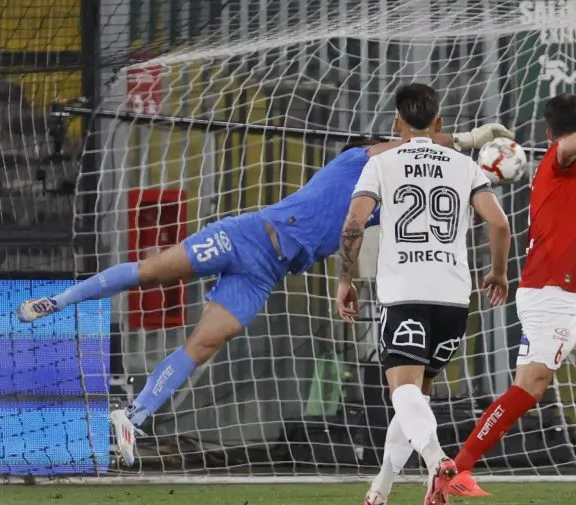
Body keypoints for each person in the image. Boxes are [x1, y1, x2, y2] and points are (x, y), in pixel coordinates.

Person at [17, 88, 512, 467]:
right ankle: (58, 302)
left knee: (206, 343)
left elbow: (422, 171)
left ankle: (133, 418)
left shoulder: (390, 194)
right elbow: (413, 144)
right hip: (249, 235)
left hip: (265, 272)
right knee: (150, 272)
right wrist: (468, 141)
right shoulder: (359, 160)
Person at [449, 94, 576, 497]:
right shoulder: (556, 160)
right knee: (530, 387)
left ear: (547, 129)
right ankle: (457, 470)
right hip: (548, 294)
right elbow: (567, 144)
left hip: (574, 297)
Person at [336, 83, 511, 505]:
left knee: (401, 392)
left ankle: (437, 460)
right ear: (439, 123)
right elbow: (501, 224)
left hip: (405, 294)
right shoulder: (464, 165)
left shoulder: (383, 161)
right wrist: (500, 272)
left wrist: (346, 279)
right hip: (454, 299)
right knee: (417, 395)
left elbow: (353, 224)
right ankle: (380, 491)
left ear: (396, 123)